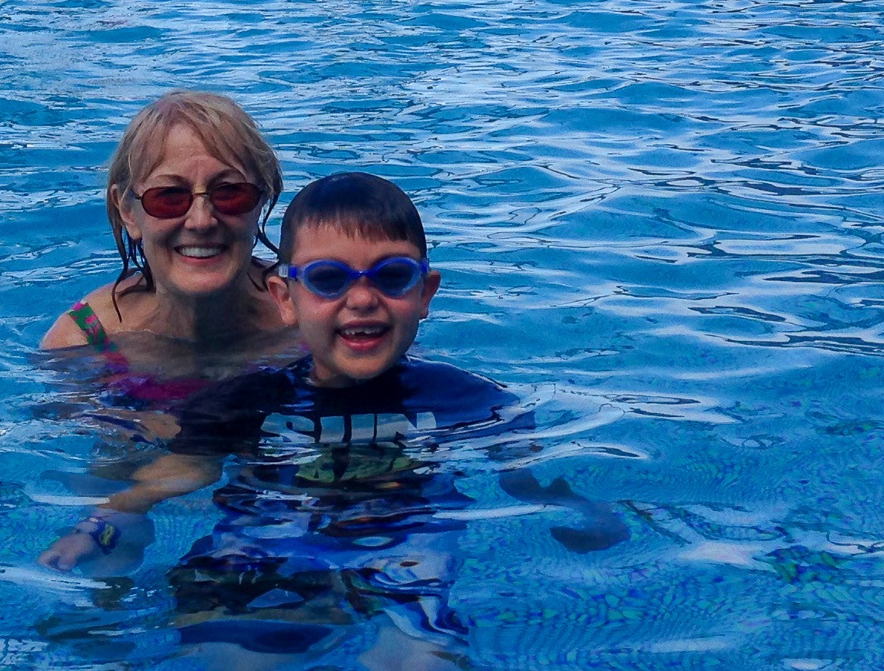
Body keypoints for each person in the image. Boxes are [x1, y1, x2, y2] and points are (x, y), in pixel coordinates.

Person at [38, 173, 625, 660]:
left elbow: (522, 473)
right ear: (285, 299)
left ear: (426, 293)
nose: (363, 298)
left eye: (392, 276)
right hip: (260, 551)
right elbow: (180, 472)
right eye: (329, 280)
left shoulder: (464, 400)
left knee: (425, 659)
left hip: (402, 553)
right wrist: (103, 522)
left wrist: (575, 508)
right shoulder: (243, 401)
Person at [39, 93, 298, 397]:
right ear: (127, 211)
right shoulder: (84, 342)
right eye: (169, 197)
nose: (201, 221)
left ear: (261, 200)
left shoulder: (312, 310)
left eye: (229, 193)